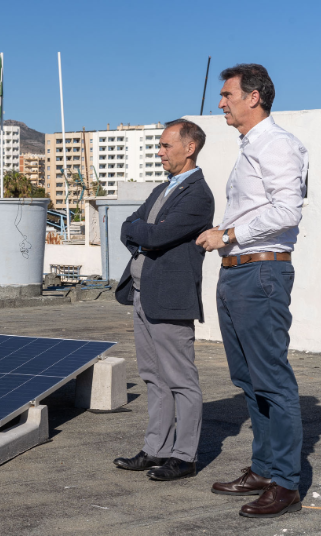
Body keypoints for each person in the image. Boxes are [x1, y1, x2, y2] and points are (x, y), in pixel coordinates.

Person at [196, 63, 308, 518]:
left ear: (254, 97)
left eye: (228, 94)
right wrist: (227, 236)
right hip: (239, 273)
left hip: (260, 273)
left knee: (272, 380)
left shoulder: (277, 144)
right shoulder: (252, 147)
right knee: (248, 378)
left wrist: (230, 233)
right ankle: (264, 468)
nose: (221, 102)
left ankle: (285, 482)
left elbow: (287, 210)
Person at [113, 119, 215, 481]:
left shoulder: (198, 195)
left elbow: (156, 235)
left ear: (189, 148)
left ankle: (184, 456)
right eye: (159, 146)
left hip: (170, 299)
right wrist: (144, 235)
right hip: (142, 296)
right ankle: (156, 449)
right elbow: (129, 224)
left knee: (180, 379)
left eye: (166, 146)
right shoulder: (162, 189)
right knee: (153, 377)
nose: (160, 152)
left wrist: (144, 235)